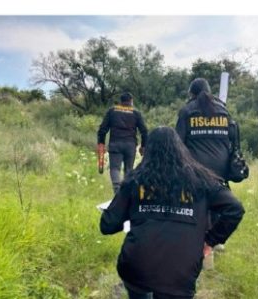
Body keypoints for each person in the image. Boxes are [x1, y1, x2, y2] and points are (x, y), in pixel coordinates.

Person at [100, 127, 245, 299]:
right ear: (181, 149)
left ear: (147, 152)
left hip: (136, 268)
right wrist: (210, 241)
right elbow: (234, 209)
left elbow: (107, 225)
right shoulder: (202, 180)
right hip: (181, 273)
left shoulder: (134, 180)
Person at [174, 78, 235, 183]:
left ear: (192, 94)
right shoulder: (224, 111)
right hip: (222, 171)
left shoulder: (186, 111)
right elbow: (233, 140)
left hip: (196, 172)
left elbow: (177, 143)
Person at [97, 92, 149, 194]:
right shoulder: (136, 112)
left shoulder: (112, 111)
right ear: (131, 101)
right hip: (130, 145)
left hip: (115, 144)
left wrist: (101, 144)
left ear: (120, 101)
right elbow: (144, 131)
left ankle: (117, 190)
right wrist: (143, 146)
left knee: (115, 168)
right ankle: (126, 193)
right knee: (129, 169)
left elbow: (102, 129)